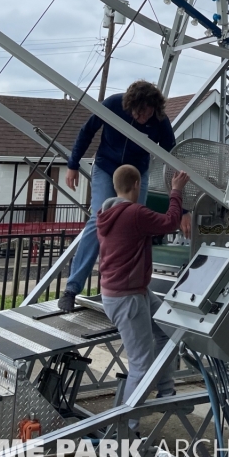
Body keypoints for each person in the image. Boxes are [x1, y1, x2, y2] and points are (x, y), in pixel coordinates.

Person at [58, 79, 190, 312]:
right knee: (99, 217)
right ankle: (72, 288)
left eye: (147, 114)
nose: (143, 119)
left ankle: (135, 285)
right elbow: (87, 131)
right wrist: (73, 164)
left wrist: (184, 210)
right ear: (129, 107)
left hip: (137, 171)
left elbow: (173, 162)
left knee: (136, 223)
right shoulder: (113, 105)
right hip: (107, 168)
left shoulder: (160, 120)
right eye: (138, 114)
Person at [97, 163, 189, 425]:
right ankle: (128, 426)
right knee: (141, 364)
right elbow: (170, 222)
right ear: (137, 185)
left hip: (130, 293)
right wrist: (176, 191)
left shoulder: (106, 213)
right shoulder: (134, 213)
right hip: (128, 298)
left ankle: (166, 392)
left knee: (167, 329)